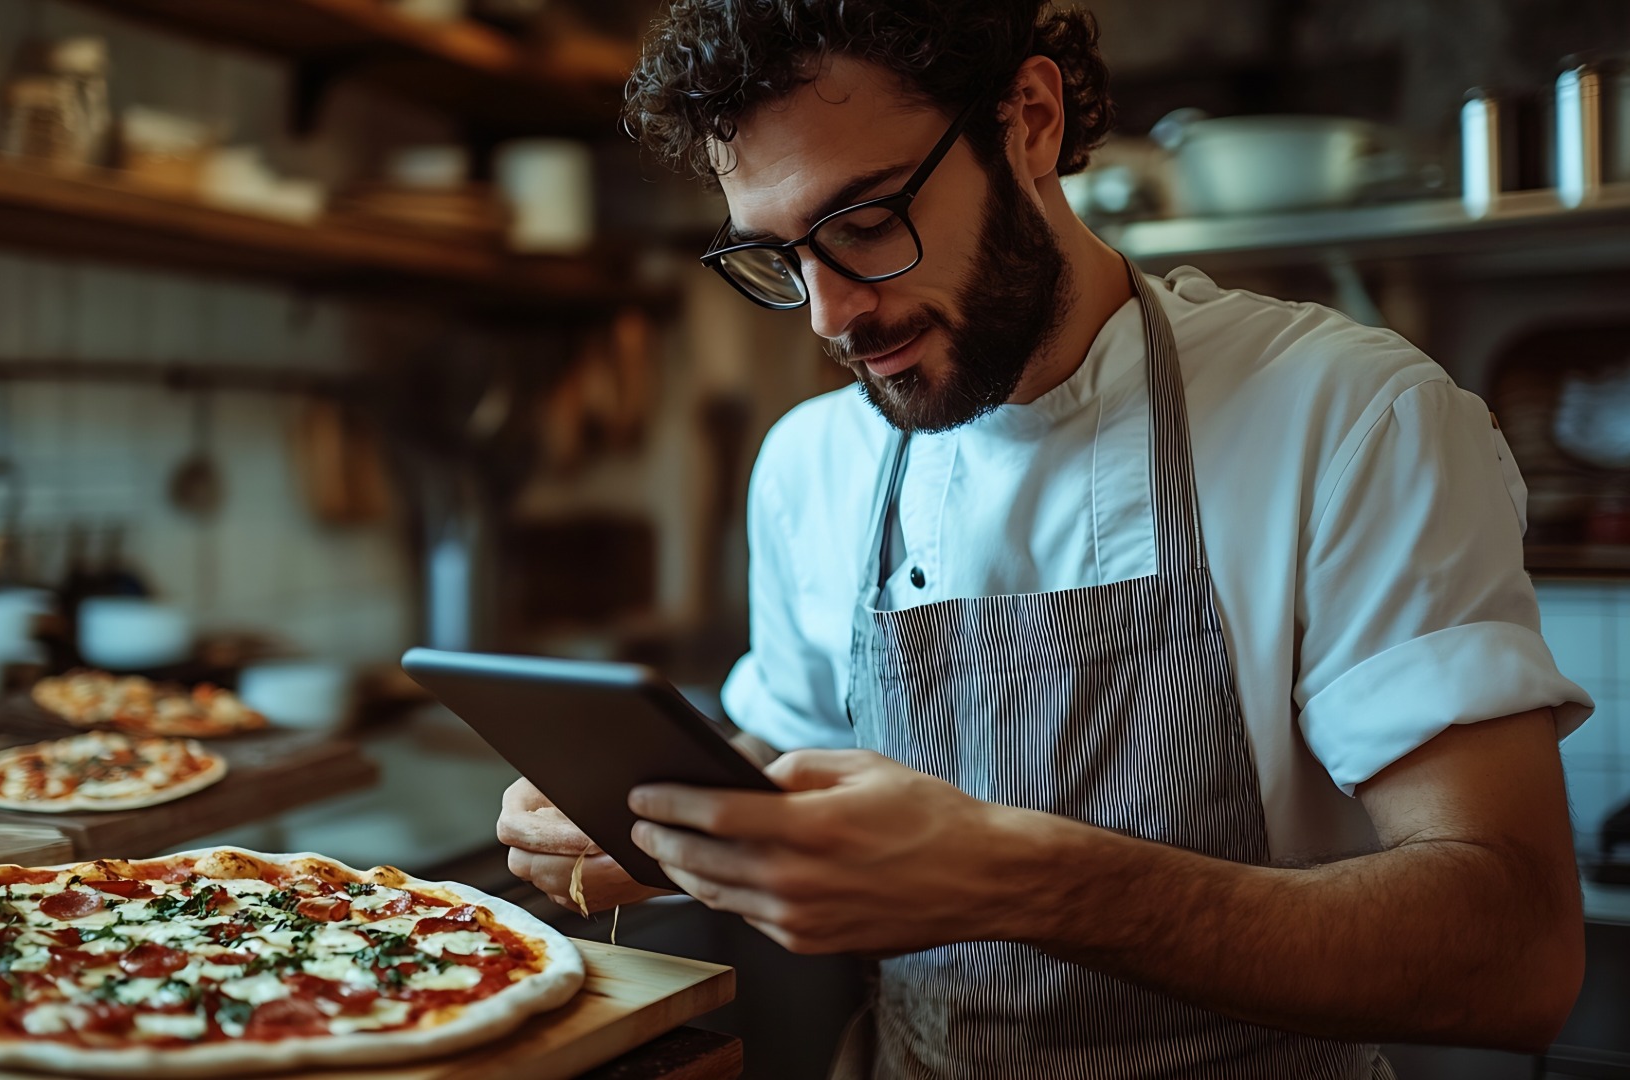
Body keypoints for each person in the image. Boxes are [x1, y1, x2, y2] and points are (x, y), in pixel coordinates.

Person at [498, 1, 1596, 1075]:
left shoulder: (1351, 419)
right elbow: (783, 765)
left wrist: (1021, 878)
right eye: (780, 257)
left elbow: (1515, 955)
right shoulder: (810, 464)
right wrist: (655, 820)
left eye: (867, 223)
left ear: (1028, 120)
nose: (831, 315)